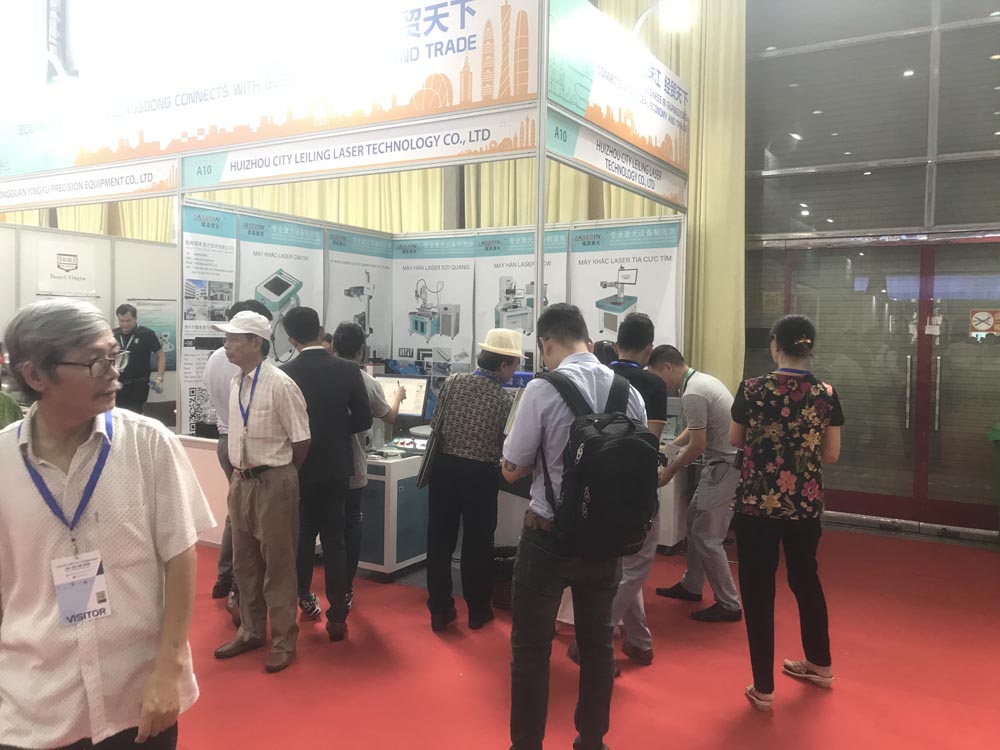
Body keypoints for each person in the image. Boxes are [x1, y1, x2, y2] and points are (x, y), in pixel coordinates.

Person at [0, 299, 214, 750]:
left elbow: (180, 555)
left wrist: (170, 668)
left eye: (115, 357)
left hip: (136, 697)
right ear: (36, 375)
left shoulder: (148, 443)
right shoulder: (4, 462)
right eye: (96, 363)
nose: (114, 373)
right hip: (35, 703)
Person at [502, 304, 646, 750]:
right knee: (598, 645)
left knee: (531, 648)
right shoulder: (628, 392)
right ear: (589, 339)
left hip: (548, 535)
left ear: (545, 343)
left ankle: (527, 743)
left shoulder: (541, 390)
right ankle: (592, 739)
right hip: (607, 538)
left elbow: (513, 466)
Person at [730, 315, 844, 712]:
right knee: (806, 579)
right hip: (804, 505)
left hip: (756, 504)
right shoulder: (826, 393)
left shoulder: (752, 389)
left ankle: (763, 688)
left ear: (775, 346)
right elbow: (831, 454)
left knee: (758, 590)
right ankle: (820, 665)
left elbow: (735, 438)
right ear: (809, 347)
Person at [211, 311, 311, 674]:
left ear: (257, 343)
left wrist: (280, 475)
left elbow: (301, 441)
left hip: (274, 480)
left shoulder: (281, 384)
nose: (226, 344)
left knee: (278, 563)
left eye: (234, 338)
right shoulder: (237, 381)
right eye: (226, 338)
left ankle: (284, 639)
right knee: (245, 562)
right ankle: (251, 630)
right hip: (241, 481)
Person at [567, 313, 667, 671]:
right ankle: (592, 637)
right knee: (636, 566)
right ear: (649, 349)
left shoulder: (601, 377)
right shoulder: (652, 384)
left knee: (622, 565)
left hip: (593, 484)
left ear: (615, 342)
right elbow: (650, 442)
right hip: (634, 487)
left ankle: (640, 642)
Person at [280, 308, 372, 640]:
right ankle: (338, 616)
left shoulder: (283, 373)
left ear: (291, 338)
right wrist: (334, 431)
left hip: (299, 466)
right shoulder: (348, 370)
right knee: (336, 539)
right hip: (337, 465)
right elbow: (364, 418)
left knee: (303, 535)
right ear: (321, 331)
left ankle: (304, 597)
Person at [426, 329, 519, 632]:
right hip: (480, 475)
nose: (514, 371)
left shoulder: (453, 382)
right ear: (502, 364)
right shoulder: (504, 400)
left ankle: (440, 609)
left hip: (443, 469)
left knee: (439, 540)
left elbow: (436, 423)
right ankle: (478, 610)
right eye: (514, 365)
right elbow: (507, 445)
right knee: (478, 543)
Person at [650, 345, 743, 623]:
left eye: (658, 376)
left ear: (668, 367)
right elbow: (694, 429)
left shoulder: (693, 392)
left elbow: (698, 444)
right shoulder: (700, 382)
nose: (660, 384)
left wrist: (670, 471)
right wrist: (670, 447)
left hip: (724, 466)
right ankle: (691, 585)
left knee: (707, 536)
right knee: (693, 522)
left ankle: (729, 602)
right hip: (721, 465)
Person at [202, 300, 273, 620]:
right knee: (250, 519)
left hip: (225, 441)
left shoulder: (214, 359)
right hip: (246, 446)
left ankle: (225, 578)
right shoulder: (249, 369)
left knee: (237, 513)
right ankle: (239, 586)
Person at [331, 322, 405, 610]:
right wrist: (397, 397)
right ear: (361, 350)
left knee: (324, 527)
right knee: (351, 524)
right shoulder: (365, 380)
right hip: (353, 465)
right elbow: (389, 417)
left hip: (320, 467)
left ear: (334, 346)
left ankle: (309, 590)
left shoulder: (322, 374)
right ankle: (345, 588)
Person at [112, 304, 165, 414]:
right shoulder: (113, 334)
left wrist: (159, 378)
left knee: (135, 416)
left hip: (139, 385)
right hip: (117, 383)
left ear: (135, 319)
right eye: (121, 321)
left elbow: (161, 356)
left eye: (128, 321)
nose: (125, 324)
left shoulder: (147, 334)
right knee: (117, 415)